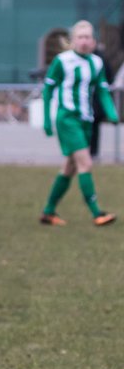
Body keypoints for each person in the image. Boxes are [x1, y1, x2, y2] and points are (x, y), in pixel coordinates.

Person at [39, 20, 119, 227]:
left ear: (94, 41)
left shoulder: (96, 63)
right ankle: (96, 213)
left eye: (88, 37)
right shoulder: (62, 61)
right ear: (73, 40)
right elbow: (47, 89)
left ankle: (48, 212)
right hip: (67, 118)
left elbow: (102, 90)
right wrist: (47, 119)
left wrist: (112, 112)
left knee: (69, 168)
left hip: (86, 120)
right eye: (81, 37)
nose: (84, 41)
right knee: (86, 163)